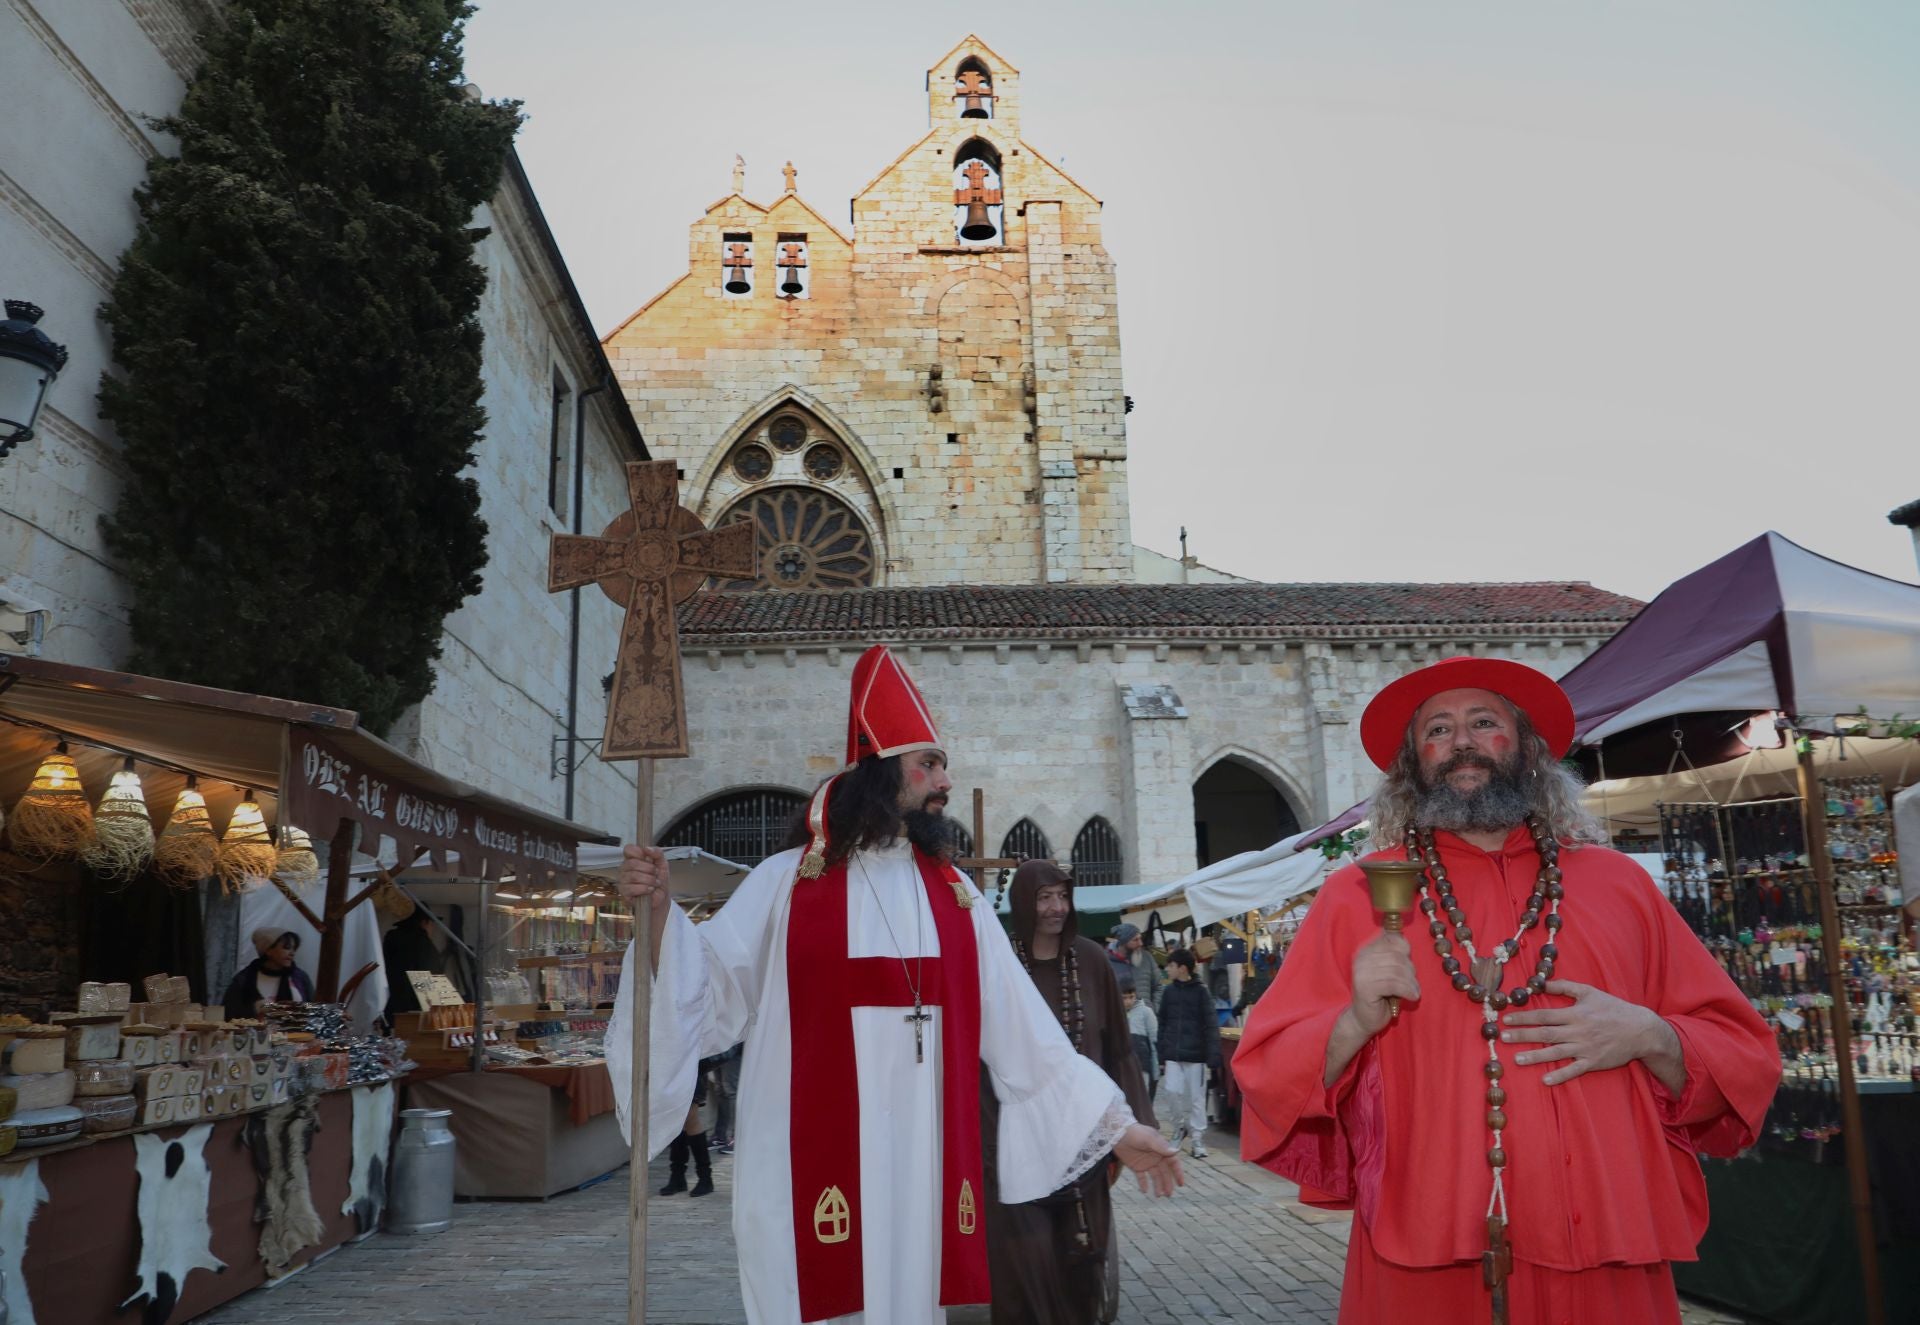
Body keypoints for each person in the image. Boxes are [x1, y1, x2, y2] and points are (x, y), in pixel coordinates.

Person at [613, 645, 1183, 1325]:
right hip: (801, 1168)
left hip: (919, 1173)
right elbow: (706, 993)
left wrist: (1116, 1127)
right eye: (930, 762)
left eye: (943, 762)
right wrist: (657, 914)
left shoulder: (958, 897)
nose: (944, 778)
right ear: (884, 772)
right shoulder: (785, 885)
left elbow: (1026, 1032)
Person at [1232, 656, 1781, 1323]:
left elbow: (1744, 1053)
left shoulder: (1621, 885)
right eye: (1437, 729)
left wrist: (1652, 1034)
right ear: (1413, 764)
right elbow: (1266, 1067)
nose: (1461, 742)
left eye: (1483, 722)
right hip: (1425, 1246)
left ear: (1525, 746)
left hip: (1602, 1245)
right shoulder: (1356, 896)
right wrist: (1352, 1021)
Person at [982, 860, 1157, 1325]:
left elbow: (1119, 1051)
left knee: (1082, 1259)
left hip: (1084, 1141)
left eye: (1062, 895)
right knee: (1021, 1266)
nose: (1056, 908)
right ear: (1023, 903)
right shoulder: (998, 965)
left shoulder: (1092, 960)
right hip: (1014, 1145)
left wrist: (1134, 1126)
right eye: (1044, 897)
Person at [1155, 948, 1220, 1159]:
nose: (1168, 969)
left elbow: (1211, 1024)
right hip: (1174, 1053)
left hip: (1197, 1055)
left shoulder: (1202, 992)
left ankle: (1198, 1139)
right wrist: (1162, 1052)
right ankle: (1178, 1127)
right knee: (1171, 1092)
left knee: (1196, 1099)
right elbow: (1162, 1022)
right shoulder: (1169, 992)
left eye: (1171, 966)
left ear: (1182, 968)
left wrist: (1212, 1056)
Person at [222, 928, 313, 1019]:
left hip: (296, 1032)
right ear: (268, 950)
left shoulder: (300, 977)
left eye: (294, 949)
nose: (292, 953)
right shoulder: (244, 980)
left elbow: (313, 1009)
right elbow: (229, 1014)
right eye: (287, 947)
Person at [662, 1059, 716, 1198]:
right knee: (676, 1119)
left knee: (690, 1118)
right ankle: (677, 1176)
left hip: (689, 1066)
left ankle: (705, 1177)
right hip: (670, 1067)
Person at [381, 903, 441, 1020]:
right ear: (424, 923)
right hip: (414, 1012)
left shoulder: (391, 937)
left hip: (390, 1005)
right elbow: (427, 980)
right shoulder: (424, 944)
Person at [1108, 922, 1162, 1010]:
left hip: (1146, 1018)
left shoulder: (1147, 957)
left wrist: (1154, 1009)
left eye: (1140, 938)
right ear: (1123, 942)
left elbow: (1158, 987)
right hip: (1120, 1020)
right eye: (1135, 940)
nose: (1140, 943)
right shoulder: (1107, 961)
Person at [1122, 987, 1157, 1091]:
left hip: (1142, 1064)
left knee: (1142, 1095)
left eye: (1131, 997)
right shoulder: (1114, 1013)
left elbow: (1154, 1040)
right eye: (1124, 998)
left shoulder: (1146, 1012)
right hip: (1123, 1065)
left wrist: (1156, 1069)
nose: (1128, 1001)